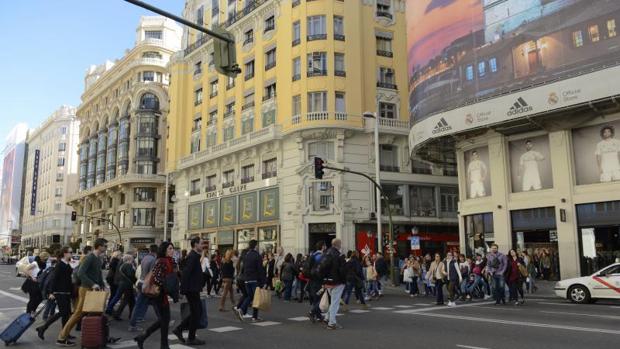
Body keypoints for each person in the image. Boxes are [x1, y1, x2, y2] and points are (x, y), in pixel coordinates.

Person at [57, 238, 107, 347]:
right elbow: (80, 273)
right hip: (86, 289)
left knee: (96, 313)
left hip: (94, 290)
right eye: (105, 246)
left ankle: (98, 338)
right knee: (78, 314)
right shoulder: (89, 258)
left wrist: (102, 285)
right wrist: (92, 284)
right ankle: (61, 337)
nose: (106, 248)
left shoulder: (98, 259)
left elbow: (98, 274)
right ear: (99, 246)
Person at [134, 242, 178, 349]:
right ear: (164, 250)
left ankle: (143, 337)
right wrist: (168, 288)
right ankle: (163, 345)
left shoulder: (169, 261)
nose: (172, 250)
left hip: (161, 294)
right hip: (159, 295)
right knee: (164, 320)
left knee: (163, 320)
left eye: (173, 248)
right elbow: (158, 278)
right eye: (170, 248)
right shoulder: (162, 261)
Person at [36, 247, 75, 341]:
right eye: (70, 252)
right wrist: (51, 292)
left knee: (66, 314)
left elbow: (67, 277)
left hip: (66, 292)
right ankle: (43, 328)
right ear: (65, 254)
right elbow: (53, 279)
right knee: (63, 313)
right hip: (60, 292)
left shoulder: (66, 264)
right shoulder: (59, 265)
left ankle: (65, 332)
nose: (72, 254)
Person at [174, 236, 206, 346]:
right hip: (191, 289)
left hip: (193, 288)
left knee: (197, 312)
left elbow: (191, 273)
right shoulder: (192, 257)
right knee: (197, 312)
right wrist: (182, 290)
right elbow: (186, 274)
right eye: (201, 243)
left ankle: (181, 329)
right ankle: (190, 337)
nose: (203, 245)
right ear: (196, 245)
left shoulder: (194, 256)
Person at [129, 244, 158, 332]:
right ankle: (163, 320)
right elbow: (152, 274)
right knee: (156, 303)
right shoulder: (153, 259)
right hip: (147, 284)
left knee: (139, 305)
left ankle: (133, 324)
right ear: (156, 251)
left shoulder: (145, 258)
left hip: (141, 283)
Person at [234, 239, 265, 322]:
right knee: (256, 298)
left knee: (250, 296)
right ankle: (252, 316)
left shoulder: (246, 255)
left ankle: (241, 309)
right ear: (255, 246)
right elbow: (260, 269)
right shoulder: (257, 255)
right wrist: (263, 281)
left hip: (246, 279)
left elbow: (244, 268)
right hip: (254, 279)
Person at [110, 254, 136, 320]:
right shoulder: (128, 265)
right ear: (129, 259)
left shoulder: (123, 265)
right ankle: (118, 314)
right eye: (132, 258)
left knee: (131, 300)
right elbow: (130, 274)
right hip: (127, 284)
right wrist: (134, 271)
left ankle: (131, 314)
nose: (133, 259)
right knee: (126, 300)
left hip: (123, 283)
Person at [307, 241, 326, 322]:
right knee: (321, 298)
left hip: (312, 280)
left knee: (316, 298)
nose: (326, 247)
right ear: (322, 246)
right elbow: (324, 268)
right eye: (325, 245)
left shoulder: (312, 255)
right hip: (319, 280)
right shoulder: (321, 256)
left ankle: (317, 315)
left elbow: (309, 267)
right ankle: (312, 312)